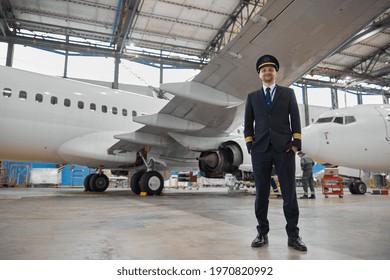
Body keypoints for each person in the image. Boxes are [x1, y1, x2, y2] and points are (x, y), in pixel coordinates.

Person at [244, 54, 307, 251]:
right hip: (260, 150)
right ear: (259, 75)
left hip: (284, 149)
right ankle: (262, 233)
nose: (267, 72)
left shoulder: (288, 94)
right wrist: (250, 146)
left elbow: (295, 119)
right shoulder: (252, 97)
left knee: (289, 193)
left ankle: (293, 236)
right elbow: (248, 125)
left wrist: (296, 142)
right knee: (261, 193)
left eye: (270, 69)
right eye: (264, 70)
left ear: (275, 72)